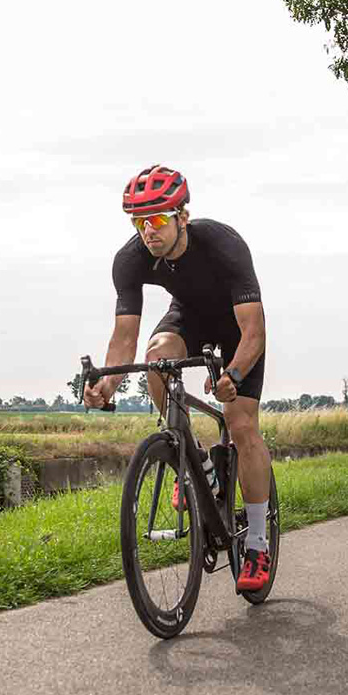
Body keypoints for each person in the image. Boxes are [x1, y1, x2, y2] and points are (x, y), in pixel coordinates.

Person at [84, 164, 274, 593]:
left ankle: (258, 543)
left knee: (242, 426)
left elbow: (254, 332)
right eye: (138, 221)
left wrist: (235, 373)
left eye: (155, 219)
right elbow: (125, 337)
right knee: (157, 358)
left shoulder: (223, 244)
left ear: (181, 217)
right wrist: (107, 386)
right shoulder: (131, 260)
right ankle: (191, 457)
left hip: (237, 330)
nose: (146, 230)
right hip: (189, 320)